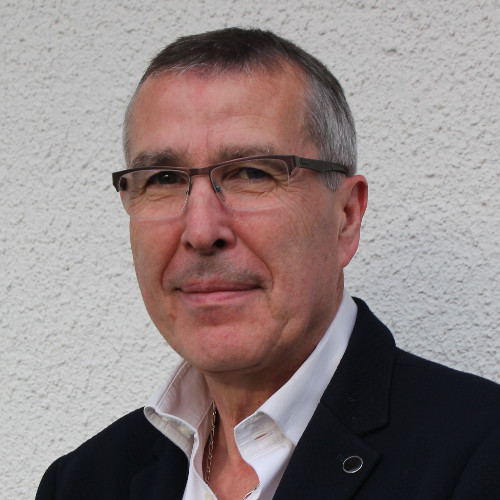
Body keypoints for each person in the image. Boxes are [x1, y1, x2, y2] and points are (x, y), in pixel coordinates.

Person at [36, 27, 500, 500]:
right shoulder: (80, 483)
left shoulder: (482, 458)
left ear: (345, 217)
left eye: (251, 173)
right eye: (164, 179)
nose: (201, 231)